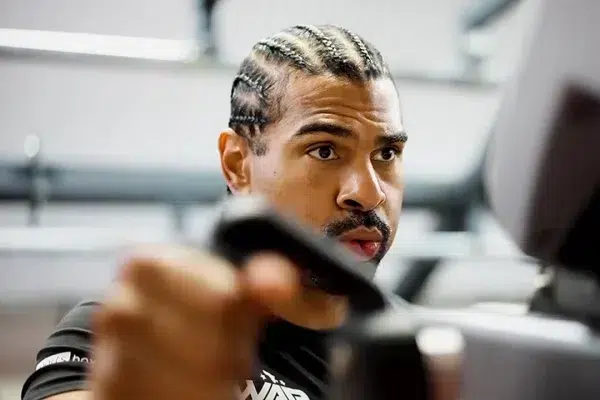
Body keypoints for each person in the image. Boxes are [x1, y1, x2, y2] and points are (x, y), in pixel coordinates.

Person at [21, 24, 410, 400]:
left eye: (386, 153)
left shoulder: (424, 351)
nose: (368, 192)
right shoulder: (147, 335)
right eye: (324, 150)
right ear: (238, 164)